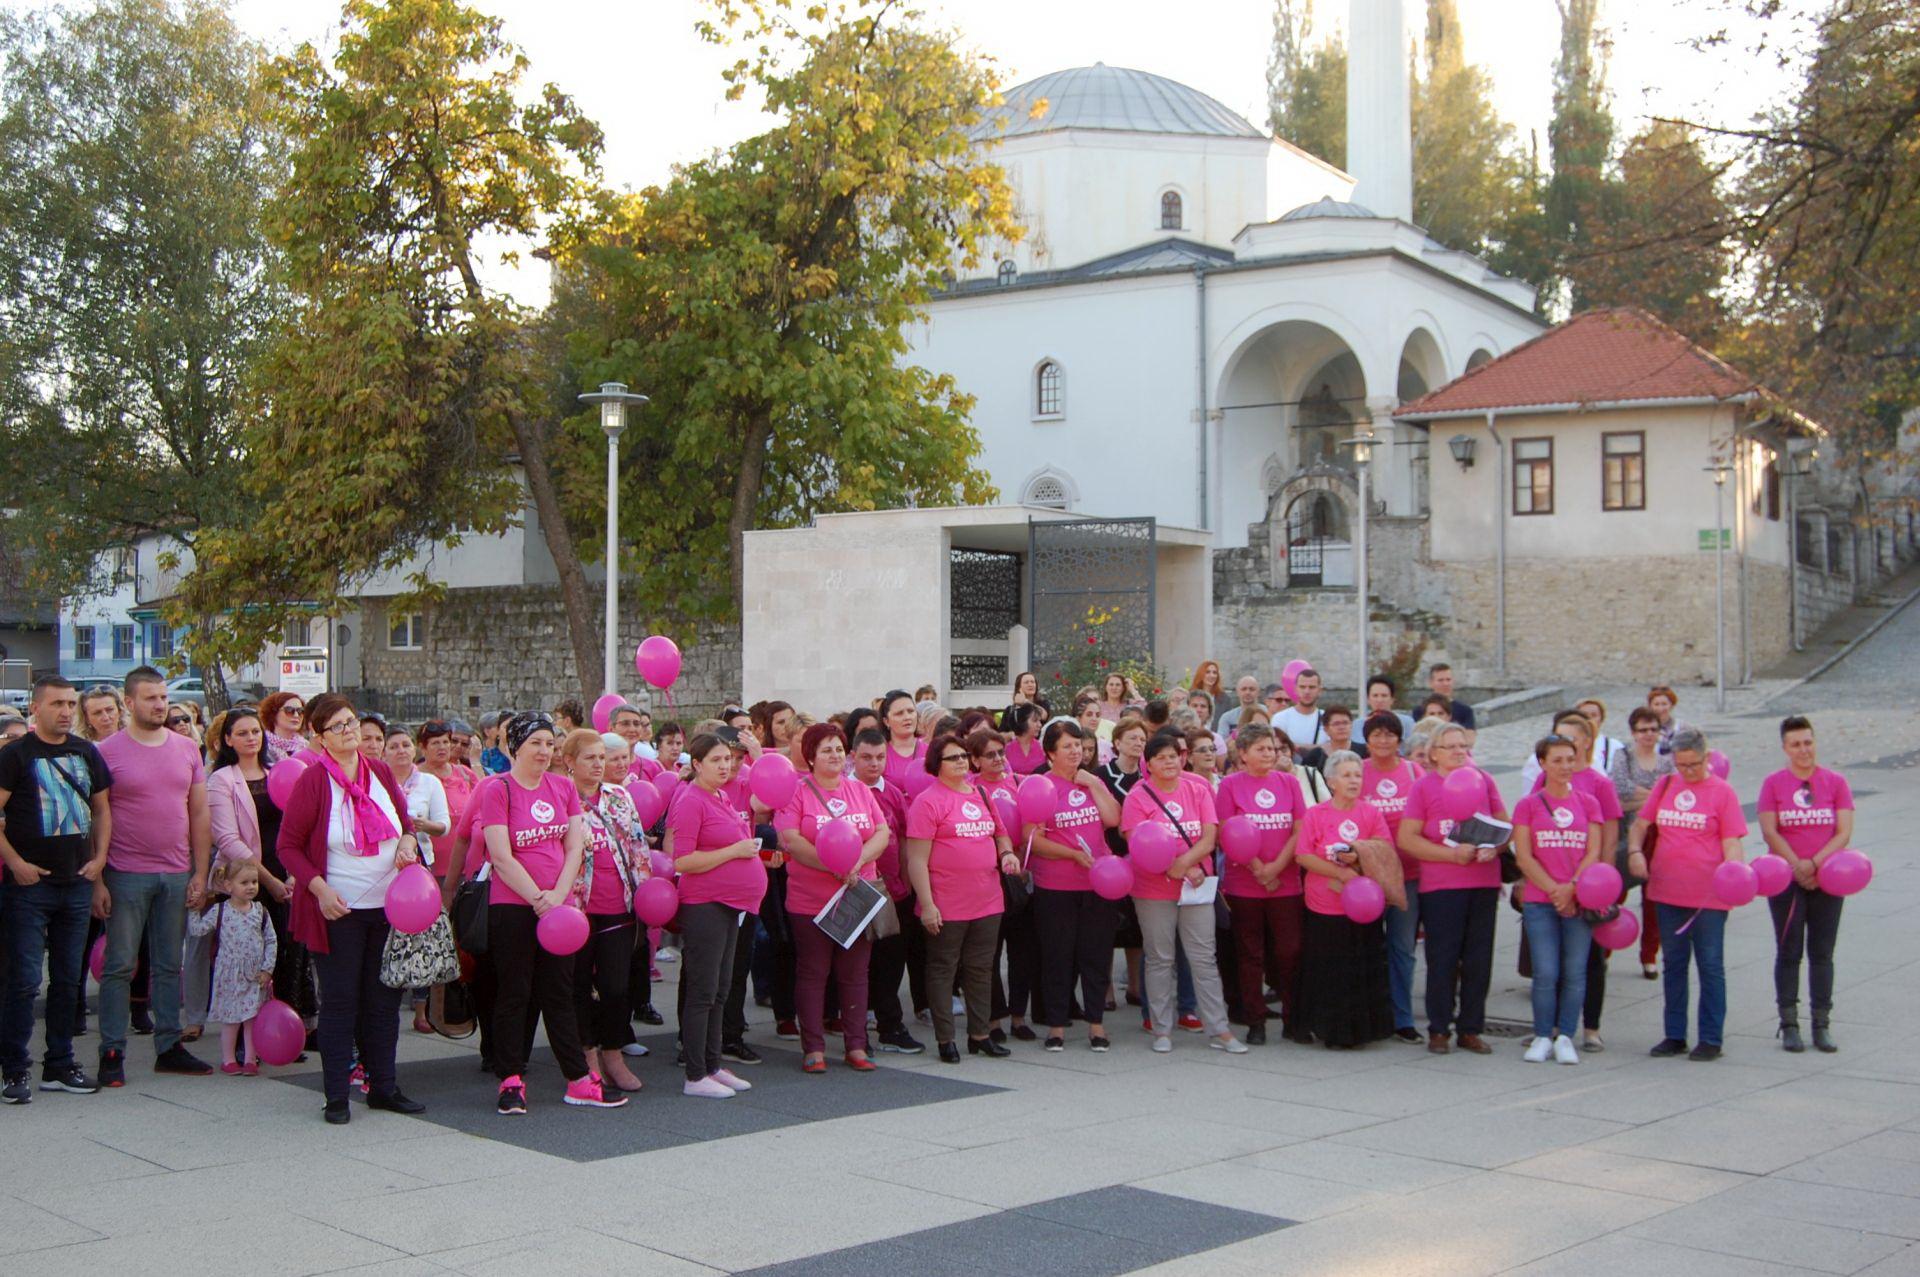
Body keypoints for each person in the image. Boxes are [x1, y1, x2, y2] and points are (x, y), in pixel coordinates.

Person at [275, 692, 425, 1123]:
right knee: (341, 1002)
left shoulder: (377, 770)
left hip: (389, 906)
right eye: (338, 727)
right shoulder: (313, 780)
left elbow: (405, 822)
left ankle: (384, 1086)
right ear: (319, 737)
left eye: (351, 722)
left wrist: (407, 842)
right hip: (339, 909)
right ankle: (337, 1095)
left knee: (383, 1002)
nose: (349, 732)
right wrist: (320, 889)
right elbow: (288, 846)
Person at [479, 712, 626, 1113]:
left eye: (549, 743)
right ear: (516, 748)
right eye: (535, 744)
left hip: (560, 909)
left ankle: (577, 1078)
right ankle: (510, 1079)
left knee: (560, 992)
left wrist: (558, 895)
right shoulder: (498, 790)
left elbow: (574, 846)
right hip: (513, 906)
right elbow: (501, 855)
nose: (544, 751)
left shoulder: (562, 788)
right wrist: (536, 898)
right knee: (515, 993)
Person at [95, 667, 213, 1085]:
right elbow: (98, 815)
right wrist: (97, 879)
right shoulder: (106, 751)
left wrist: (199, 872)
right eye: (150, 698)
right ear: (129, 703)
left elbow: (198, 812)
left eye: (163, 697)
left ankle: (169, 1045)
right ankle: (112, 1050)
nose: (161, 704)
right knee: (120, 965)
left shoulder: (186, 749)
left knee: (168, 965)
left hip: (176, 871)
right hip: (125, 873)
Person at [0, 676, 112, 1101]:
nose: (65, 711)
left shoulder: (86, 753)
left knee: (69, 980)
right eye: (57, 704)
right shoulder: (16, 755)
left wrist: (99, 862)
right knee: (25, 980)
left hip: (77, 884)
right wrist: (16, 863)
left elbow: (101, 810)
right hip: (29, 887)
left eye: (70, 704)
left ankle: (60, 1064)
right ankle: (14, 1068)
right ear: (36, 708)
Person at [1120, 731, 1246, 1055]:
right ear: (1148, 764)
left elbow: (1209, 836)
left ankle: (1219, 1028)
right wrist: (1171, 869)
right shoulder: (1138, 796)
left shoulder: (1197, 788)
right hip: (1152, 889)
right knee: (1160, 958)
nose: (1170, 762)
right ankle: (1162, 1029)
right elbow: (1137, 843)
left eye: (1174, 756)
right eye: (1161, 757)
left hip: (1195, 885)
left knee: (1203, 957)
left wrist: (1187, 865)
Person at [1626, 727, 1747, 1061]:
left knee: (1710, 965)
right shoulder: (1666, 785)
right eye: (1682, 765)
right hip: (1667, 890)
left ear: (1706, 758)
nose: (1688, 771)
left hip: (1708, 896)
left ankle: (1710, 1037)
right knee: (1674, 964)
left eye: (1694, 764)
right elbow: (1640, 825)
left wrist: (1733, 875)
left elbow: (1731, 840)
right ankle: (1674, 1033)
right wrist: (1635, 852)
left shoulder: (1722, 792)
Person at [775, 722, 888, 1074]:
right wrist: (831, 865)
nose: (835, 755)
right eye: (826, 749)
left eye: (839, 749)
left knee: (855, 973)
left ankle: (856, 1045)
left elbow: (882, 831)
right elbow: (790, 839)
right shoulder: (797, 792)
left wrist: (857, 861)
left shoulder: (860, 790)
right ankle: (814, 1048)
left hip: (857, 894)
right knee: (813, 972)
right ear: (810, 756)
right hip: (812, 900)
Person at [667, 731, 773, 1098]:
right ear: (697, 765)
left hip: (732, 905)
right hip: (705, 904)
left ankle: (712, 1064)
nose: (725, 765)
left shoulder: (722, 796)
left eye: (728, 759)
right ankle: (696, 1073)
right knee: (703, 990)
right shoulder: (690, 800)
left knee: (721, 989)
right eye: (716, 760)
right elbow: (683, 860)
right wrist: (734, 851)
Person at [906, 731, 1022, 1063]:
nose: (960, 762)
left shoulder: (981, 793)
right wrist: (927, 905)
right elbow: (917, 860)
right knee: (943, 969)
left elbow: (1000, 833)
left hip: (988, 899)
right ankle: (945, 1039)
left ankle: (979, 1035)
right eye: (952, 757)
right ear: (936, 764)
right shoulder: (928, 802)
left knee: (981, 969)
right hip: (947, 902)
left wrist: (1007, 854)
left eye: (962, 756)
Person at [1396, 722, 1507, 1055]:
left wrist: (1495, 847)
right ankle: (1439, 1028)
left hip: (1483, 882)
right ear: (1434, 754)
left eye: (1464, 746)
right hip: (1442, 887)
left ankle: (1471, 1028)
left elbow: (1505, 826)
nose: (1460, 752)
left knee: (1478, 959)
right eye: (1452, 746)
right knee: (1442, 958)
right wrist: (1450, 854)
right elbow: (1407, 838)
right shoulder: (1424, 787)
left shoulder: (1484, 781)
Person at [207, 707, 316, 1043]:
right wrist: (266, 879)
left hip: (287, 874)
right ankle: (244, 1038)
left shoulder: (279, 772)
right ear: (228, 739)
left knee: (288, 954)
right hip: (246, 880)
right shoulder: (221, 779)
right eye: (242, 733)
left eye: (255, 731)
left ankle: (288, 1032)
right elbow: (226, 838)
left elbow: (302, 824)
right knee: (247, 960)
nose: (251, 738)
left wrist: (295, 875)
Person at [1758, 715, 1853, 1054]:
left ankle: (1821, 1024)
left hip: (1829, 877)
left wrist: (1815, 863)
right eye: (1796, 744)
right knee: (1789, 951)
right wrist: (1796, 865)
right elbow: (1770, 830)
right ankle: (1789, 1024)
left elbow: (1843, 831)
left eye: (1808, 742)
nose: (1804, 750)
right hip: (1785, 879)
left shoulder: (1835, 782)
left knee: (1822, 953)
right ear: (1785, 747)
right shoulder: (1773, 784)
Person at [1025, 720, 1122, 1051]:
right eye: (1067, 746)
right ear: (1051, 753)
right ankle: (1056, 1026)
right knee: (1058, 956)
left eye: (1079, 745)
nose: (1075, 751)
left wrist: (1094, 783)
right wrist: (1070, 854)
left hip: (1098, 885)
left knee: (1095, 956)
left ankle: (1096, 1025)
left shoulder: (1092, 782)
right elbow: (1032, 839)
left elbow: (1113, 819)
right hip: (1056, 887)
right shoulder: (1042, 786)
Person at [564, 729, 648, 1093]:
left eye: (602, 757)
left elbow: (638, 845)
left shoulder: (619, 796)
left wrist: (644, 894)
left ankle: (613, 1052)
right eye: (590, 758)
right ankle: (588, 1054)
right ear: (570, 762)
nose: (599, 764)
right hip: (576, 910)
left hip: (618, 906)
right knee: (579, 985)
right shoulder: (559, 797)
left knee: (616, 986)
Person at [1294, 751, 1394, 1048]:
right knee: (1329, 971)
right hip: (1324, 905)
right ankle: (1328, 1029)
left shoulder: (1371, 813)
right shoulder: (1316, 814)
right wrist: (1341, 875)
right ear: (1331, 780)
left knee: (1360, 969)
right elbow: (1303, 855)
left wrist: (1358, 858)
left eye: (1358, 775)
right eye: (1347, 775)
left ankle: (1363, 1029)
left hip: (1363, 906)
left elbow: (1384, 850)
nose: (1354, 781)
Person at [1215, 723, 1307, 1046]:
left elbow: (1299, 830)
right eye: (1262, 749)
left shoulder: (1289, 783)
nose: (1269, 754)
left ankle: (1293, 1018)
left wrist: (1276, 868)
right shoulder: (1229, 786)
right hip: (1244, 886)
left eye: (1273, 749)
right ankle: (1255, 1020)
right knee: (1250, 954)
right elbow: (1228, 832)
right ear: (1243, 754)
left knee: (1289, 951)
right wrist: (1259, 870)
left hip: (1286, 883)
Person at [1513, 735, 1601, 1065]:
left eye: (1570, 759)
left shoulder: (1588, 802)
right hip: (1540, 900)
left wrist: (1573, 886)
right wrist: (1554, 889)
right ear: (1543, 763)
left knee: (1575, 971)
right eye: (1558, 760)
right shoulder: (1529, 805)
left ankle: (1566, 1034)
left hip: (1579, 899)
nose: (1565, 766)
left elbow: (1592, 850)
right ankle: (1541, 1034)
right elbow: (1524, 856)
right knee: (1546, 971)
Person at [849, 727, 923, 1052]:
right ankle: (856, 1031)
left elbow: (905, 838)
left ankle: (890, 1026)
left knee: (891, 962)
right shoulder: (845, 793)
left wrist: (906, 880)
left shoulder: (892, 793)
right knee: (858, 965)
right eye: (866, 757)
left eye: (880, 757)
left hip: (893, 892)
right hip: (857, 890)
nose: (874, 764)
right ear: (853, 757)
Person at [1358, 712, 1424, 1043]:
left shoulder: (1414, 772)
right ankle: (1372, 1014)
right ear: (1367, 740)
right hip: (1366, 877)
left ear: (1400, 739)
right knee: (1367, 947)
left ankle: (1403, 1017)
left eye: (1390, 735)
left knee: (1402, 947)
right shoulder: (1359, 772)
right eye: (1377, 735)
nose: (1383, 741)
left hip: (1407, 875)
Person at [185, 859, 276, 1075]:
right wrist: (193, 910)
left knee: (251, 1019)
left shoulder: (260, 912)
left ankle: (251, 1059)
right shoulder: (220, 911)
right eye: (244, 882)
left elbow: (271, 940)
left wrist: (267, 969)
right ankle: (228, 1059)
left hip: (253, 976)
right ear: (228, 886)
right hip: (229, 975)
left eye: (254, 882)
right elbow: (198, 930)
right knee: (231, 1020)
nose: (251, 886)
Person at [1609, 706, 1674, 984]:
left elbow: (1672, 795)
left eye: (1653, 729)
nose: (1648, 734)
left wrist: (1643, 797)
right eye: (1643, 729)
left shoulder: (1667, 762)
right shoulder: (1623, 756)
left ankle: (1649, 955)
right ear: (1633, 732)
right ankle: (1605, 947)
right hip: (1627, 835)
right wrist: (1656, 797)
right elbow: (1620, 793)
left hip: (1659, 837)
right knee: (1615, 893)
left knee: (1654, 899)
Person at [1273, 669, 1328, 757]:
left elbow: (1335, 746)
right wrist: (1319, 747)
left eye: (1312, 687)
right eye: (1302, 687)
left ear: (1320, 691)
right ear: (1295, 689)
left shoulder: (1327, 718)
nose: (1307, 691)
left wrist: (1296, 746)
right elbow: (1277, 747)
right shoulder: (1280, 718)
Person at [878, 691, 926, 790]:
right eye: (899, 713)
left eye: (911, 711)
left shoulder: (931, 749)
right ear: (886, 721)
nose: (907, 717)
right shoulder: (879, 753)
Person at [1428, 664, 1475, 745]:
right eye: (1440, 680)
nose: (1445, 684)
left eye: (1448, 680)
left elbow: (1469, 740)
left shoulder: (1465, 711)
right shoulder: (1420, 710)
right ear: (1431, 683)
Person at [1575, 699, 1624, 775]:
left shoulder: (1615, 746)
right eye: (1584, 715)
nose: (1589, 719)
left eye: (1594, 715)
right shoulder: (1570, 746)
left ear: (1601, 719)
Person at [1365, 676, 1417, 747]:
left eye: (1384, 696)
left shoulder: (1407, 723)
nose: (1379, 700)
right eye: (1375, 695)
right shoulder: (1358, 724)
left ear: (1392, 699)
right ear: (1368, 699)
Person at [1001, 702, 1046, 776]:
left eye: (1040, 721)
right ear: (1022, 722)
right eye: (1035, 721)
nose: (1040, 725)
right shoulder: (1007, 749)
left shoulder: (1042, 747)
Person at [259, 692, 307, 758]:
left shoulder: (306, 746)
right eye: (289, 710)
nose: (296, 715)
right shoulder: (261, 746)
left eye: (300, 711)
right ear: (273, 713)